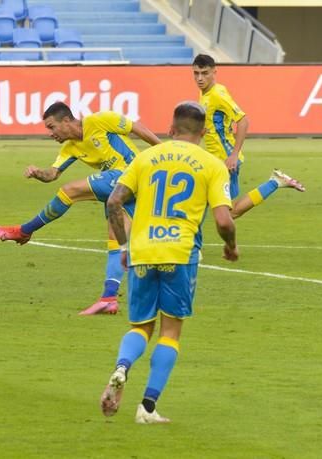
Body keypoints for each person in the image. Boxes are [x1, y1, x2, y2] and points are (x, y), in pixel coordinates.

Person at [101, 101, 238, 424]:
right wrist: (231, 246)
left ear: (170, 128)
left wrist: (123, 244)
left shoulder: (144, 158)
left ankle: (122, 366)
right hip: (180, 252)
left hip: (142, 251)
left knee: (141, 326)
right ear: (202, 133)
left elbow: (114, 201)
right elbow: (224, 220)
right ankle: (147, 408)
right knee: (171, 332)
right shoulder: (212, 164)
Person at [0, 101, 161, 315]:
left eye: (51, 127)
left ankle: (24, 230)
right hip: (124, 190)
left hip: (131, 173)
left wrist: (163, 149)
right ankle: (109, 298)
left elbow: (137, 127)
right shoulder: (70, 148)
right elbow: (52, 174)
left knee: (70, 190)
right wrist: (38, 173)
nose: (50, 133)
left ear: (67, 121)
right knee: (117, 240)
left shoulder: (99, 121)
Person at [192, 54, 305, 219]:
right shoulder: (207, 92)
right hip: (214, 159)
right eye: (196, 73)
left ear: (215, 71)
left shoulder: (217, 95)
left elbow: (243, 121)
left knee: (228, 213)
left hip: (225, 159)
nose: (200, 78)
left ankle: (275, 182)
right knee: (206, 202)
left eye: (205, 73)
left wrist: (234, 155)